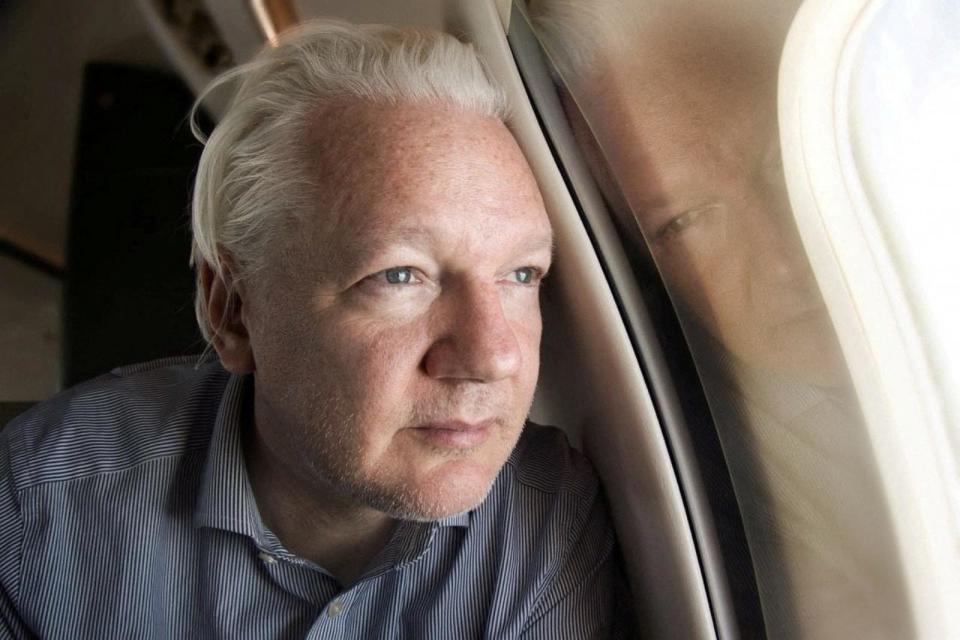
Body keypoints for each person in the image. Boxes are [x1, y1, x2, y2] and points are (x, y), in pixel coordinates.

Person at [0, 20, 619, 638]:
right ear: (233, 310)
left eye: (520, 273)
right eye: (400, 275)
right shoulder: (33, 511)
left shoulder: (552, 517)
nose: (493, 357)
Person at [527, 1, 910, 637]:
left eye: (784, 162)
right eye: (684, 220)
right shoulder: (712, 478)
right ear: (637, 259)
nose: (784, 257)